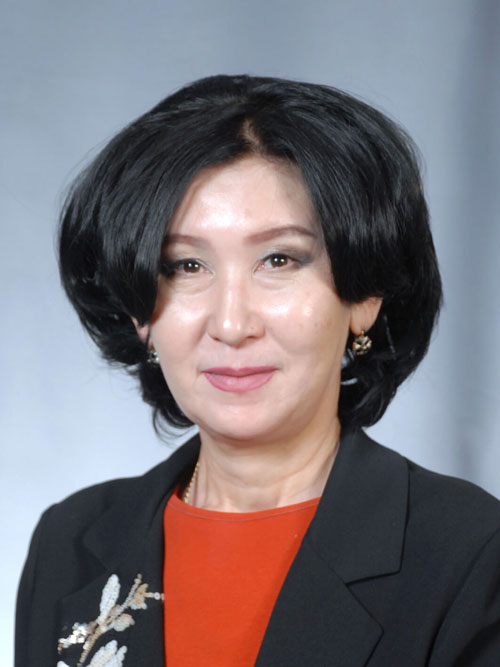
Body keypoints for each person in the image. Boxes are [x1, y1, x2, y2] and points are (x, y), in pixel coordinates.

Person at [16, 74, 500, 667]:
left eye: (278, 259)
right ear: (139, 310)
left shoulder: (472, 552)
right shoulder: (68, 542)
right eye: (185, 265)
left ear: (364, 295)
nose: (231, 322)